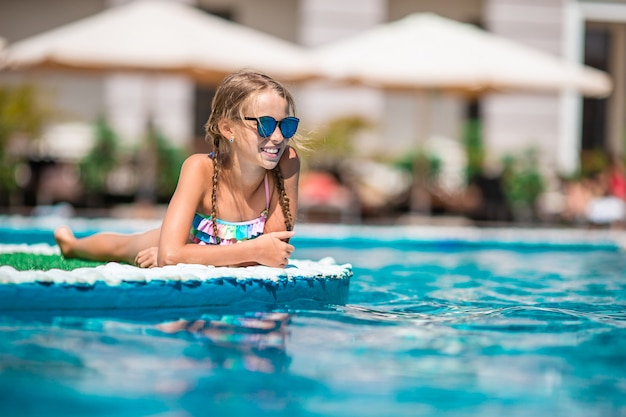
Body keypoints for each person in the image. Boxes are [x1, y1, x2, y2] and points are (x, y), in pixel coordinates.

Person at [54, 70, 300, 268]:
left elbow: (275, 256)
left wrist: (187, 256)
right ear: (228, 129)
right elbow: (171, 255)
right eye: (266, 125)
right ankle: (72, 245)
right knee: (123, 247)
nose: (278, 137)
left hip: (190, 249)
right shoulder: (200, 169)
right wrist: (177, 254)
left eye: (286, 125)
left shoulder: (286, 163)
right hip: (186, 236)